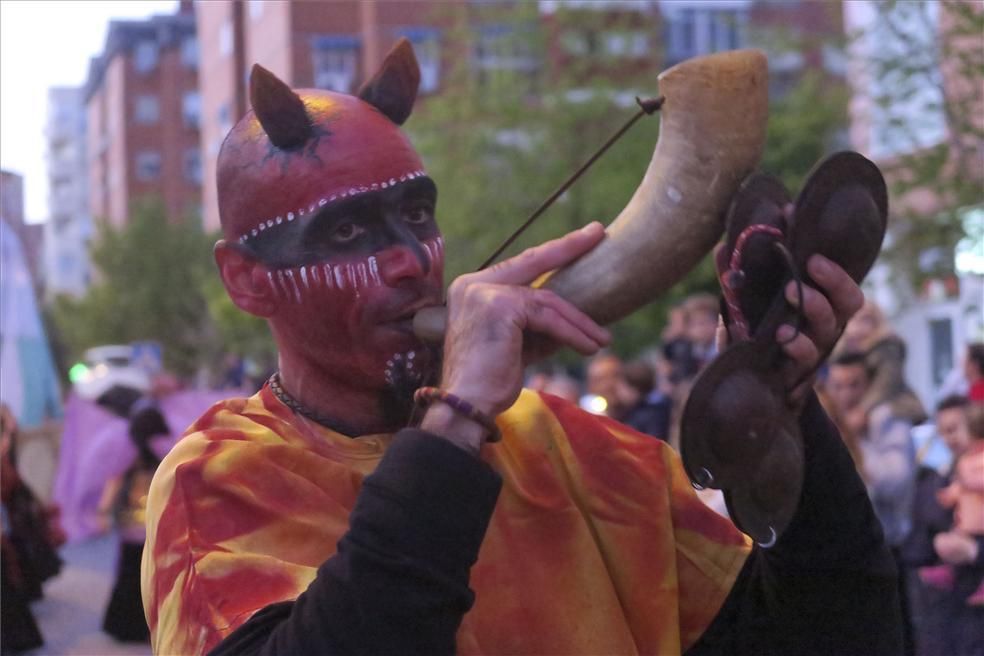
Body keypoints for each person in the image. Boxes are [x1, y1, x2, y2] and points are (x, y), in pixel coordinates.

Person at [141, 41, 901, 655]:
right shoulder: (220, 477)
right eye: (346, 232)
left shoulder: (566, 448)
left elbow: (834, 632)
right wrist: (458, 417)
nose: (411, 260)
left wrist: (777, 396)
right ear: (247, 279)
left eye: (417, 215)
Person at [901, 395, 984, 655]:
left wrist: (975, 551)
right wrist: (937, 544)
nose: (950, 438)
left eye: (956, 428)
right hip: (945, 610)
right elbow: (916, 548)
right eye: (943, 432)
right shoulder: (933, 480)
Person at [100, 400, 168, 642]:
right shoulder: (167, 450)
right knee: (154, 578)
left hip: (131, 524)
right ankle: (150, 627)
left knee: (129, 574)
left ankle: (123, 626)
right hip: (157, 524)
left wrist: (103, 511)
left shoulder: (130, 451)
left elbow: (114, 481)